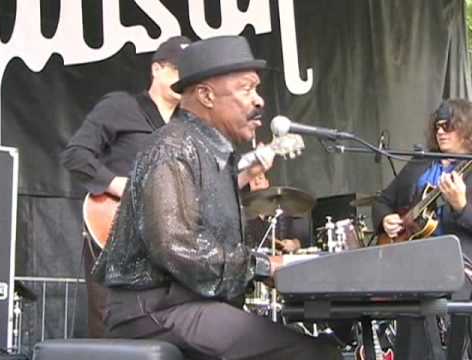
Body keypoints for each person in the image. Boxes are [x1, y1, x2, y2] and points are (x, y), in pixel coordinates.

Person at [92, 35, 342, 360]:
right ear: (206, 95)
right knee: (311, 353)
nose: (259, 100)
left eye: (256, 89)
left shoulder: (214, 155)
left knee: (310, 343)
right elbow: (175, 246)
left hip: (188, 304)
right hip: (154, 309)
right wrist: (265, 265)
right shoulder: (171, 148)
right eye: (246, 88)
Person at [61, 35, 192, 337]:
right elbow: (76, 154)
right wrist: (116, 184)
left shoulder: (187, 127)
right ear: (156, 69)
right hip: (116, 232)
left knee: (165, 325)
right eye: (175, 70)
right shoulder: (121, 106)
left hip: (162, 243)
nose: (181, 78)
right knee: (110, 326)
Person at [373, 98, 472, 360]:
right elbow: (383, 200)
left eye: (448, 126)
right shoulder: (421, 163)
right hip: (412, 263)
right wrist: (386, 220)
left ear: (466, 130)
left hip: (461, 268)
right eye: (437, 126)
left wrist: (462, 206)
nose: (440, 131)